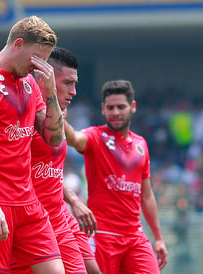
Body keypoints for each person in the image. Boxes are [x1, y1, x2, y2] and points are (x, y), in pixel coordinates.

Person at [0, 16, 65, 274]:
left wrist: (50, 92)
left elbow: (54, 139)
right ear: (18, 44)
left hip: (28, 203)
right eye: (36, 59)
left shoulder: (30, 83)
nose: (38, 67)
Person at [10, 47, 100, 274]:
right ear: (45, 79)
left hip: (59, 214)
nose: (74, 91)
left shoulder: (59, 114)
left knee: (94, 269)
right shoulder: (24, 113)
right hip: (33, 219)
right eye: (68, 83)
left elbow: (52, 172)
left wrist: (74, 200)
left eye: (75, 83)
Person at [65, 80, 168, 274]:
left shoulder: (141, 144)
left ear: (133, 107)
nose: (115, 112)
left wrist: (159, 238)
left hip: (134, 237)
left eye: (121, 107)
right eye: (110, 108)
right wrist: (58, 115)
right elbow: (73, 138)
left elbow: (146, 196)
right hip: (102, 234)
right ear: (103, 109)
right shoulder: (95, 136)